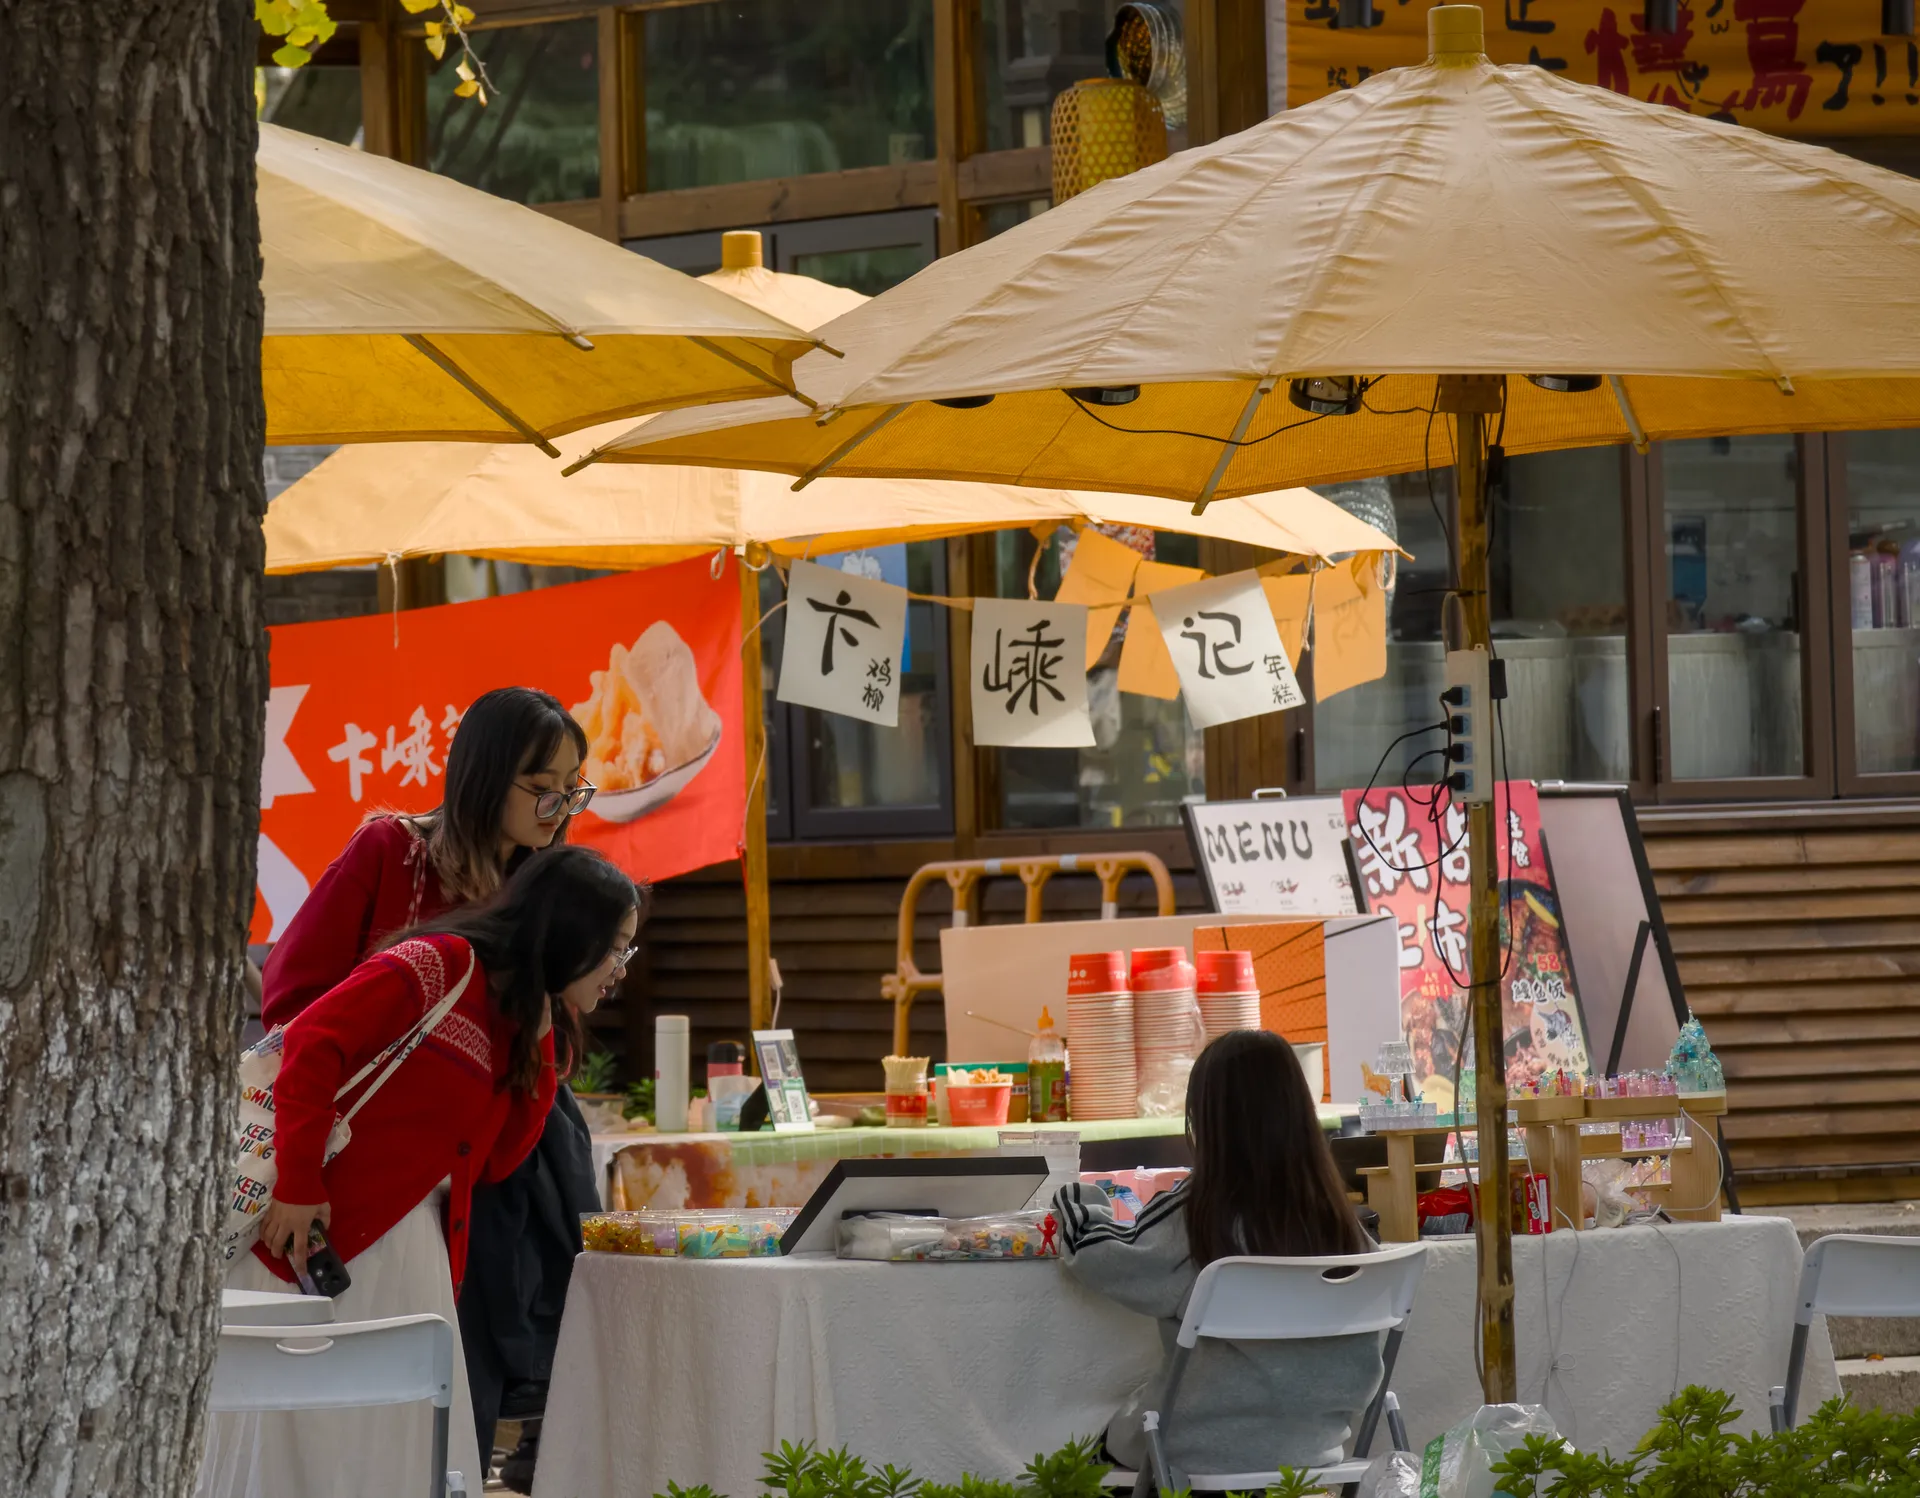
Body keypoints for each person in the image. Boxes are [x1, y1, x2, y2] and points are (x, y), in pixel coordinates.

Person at [201, 846, 641, 1498]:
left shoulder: (521, 1017)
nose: (620, 970)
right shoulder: (437, 964)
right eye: (616, 948)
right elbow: (313, 1045)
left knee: (386, 1448)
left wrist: (545, 1039)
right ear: (571, 929)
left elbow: (497, 1160)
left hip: (414, 1256)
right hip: (312, 1238)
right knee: (298, 1450)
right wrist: (298, 1184)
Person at [258, 685, 604, 1488]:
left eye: (573, 785)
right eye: (542, 784)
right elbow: (293, 1003)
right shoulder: (394, 852)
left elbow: (544, 1045)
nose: (560, 804)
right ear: (485, 776)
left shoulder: (542, 887)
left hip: (482, 1164)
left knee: (459, 1378)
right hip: (360, 1158)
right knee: (340, 1395)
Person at [1051, 1030, 1378, 1481]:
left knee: (1067, 1456)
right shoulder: (1345, 1227)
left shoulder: (1198, 1214)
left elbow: (1098, 1256)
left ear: (1206, 1120)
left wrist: (1077, 1196)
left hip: (1191, 1447)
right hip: (1317, 1447)